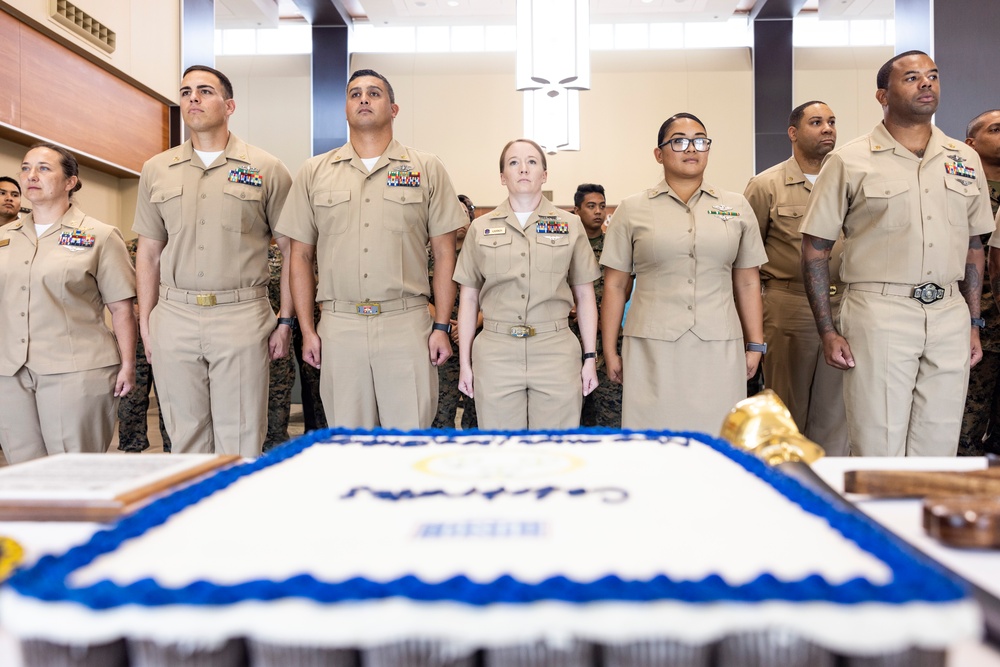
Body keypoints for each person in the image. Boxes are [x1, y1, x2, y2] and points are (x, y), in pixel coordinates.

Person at [801, 51, 994, 457]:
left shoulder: (965, 158)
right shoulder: (849, 160)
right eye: (911, 78)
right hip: (880, 310)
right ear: (882, 95)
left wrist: (973, 321)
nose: (926, 83)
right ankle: (874, 521)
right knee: (878, 442)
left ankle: (920, 521)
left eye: (932, 76)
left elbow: (975, 249)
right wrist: (828, 329)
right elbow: (816, 248)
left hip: (949, 312)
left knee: (939, 445)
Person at [277, 69, 467, 429]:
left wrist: (441, 325)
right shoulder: (314, 172)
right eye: (355, 94)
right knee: (349, 443)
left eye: (374, 93)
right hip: (340, 325)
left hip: (406, 324)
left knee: (409, 442)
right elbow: (299, 257)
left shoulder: (426, 168)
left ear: (394, 109)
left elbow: (445, 254)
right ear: (346, 110)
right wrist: (309, 329)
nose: (363, 99)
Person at [133, 65, 294, 457]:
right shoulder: (156, 169)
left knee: (239, 436)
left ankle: (235, 515)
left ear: (230, 105)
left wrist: (286, 320)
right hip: (174, 315)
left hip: (241, 314)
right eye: (186, 91)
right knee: (182, 435)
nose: (193, 98)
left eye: (205, 91)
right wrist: (147, 321)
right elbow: (149, 252)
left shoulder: (265, 168)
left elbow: (294, 251)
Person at [600, 114, 767, 433]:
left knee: (719, 439)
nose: (692, 148)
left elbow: (747, 280)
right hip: (652, 346)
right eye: (679, 140)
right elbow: (616, 284)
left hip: (719, 343)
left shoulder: (736, 206)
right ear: (659, 153)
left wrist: (755, 344)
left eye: (700, 140)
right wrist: (610, 349)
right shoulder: (632, 209)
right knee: (652, 438)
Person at [0, 144, 135, 463]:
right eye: (26, 168)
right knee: (25, 468)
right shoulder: (5, 237)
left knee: (74, 466)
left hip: (77, 369)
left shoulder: (100, 236)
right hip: (10, 372)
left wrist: (128, 365)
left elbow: (121, 308)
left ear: (70, 181)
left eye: (44, 168)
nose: (31, 175)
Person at [454, 139, 600, 429]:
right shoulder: (480, 229)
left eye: (532, 161)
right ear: (502, 177)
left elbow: (585, 297)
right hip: (496, 352)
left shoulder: (570, 225)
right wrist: (465, 363)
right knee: (502, 452)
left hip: (555, 350)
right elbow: (469, 299)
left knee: (555, 451)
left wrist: (589, 357)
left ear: (544, 175)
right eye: (513, 162)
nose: (523, 168)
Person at [743, 101, 848, 455]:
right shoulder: (765, 185)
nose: (828, 129)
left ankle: (828, 491)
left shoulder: (849, 179)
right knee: (787, 411)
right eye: (816, 122)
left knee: (836, 414)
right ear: (793, 133)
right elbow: (745, 262)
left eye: (832, 122)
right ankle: (783, 487)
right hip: (790, 305)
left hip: (843, 305)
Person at [571, 183, 624, 428]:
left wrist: (608, 318)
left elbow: (625, 284)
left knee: (610, 414)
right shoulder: (565, 246)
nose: (598, 212)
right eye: (591, 206)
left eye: (602, 206)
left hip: (607, 340)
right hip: (572, 339)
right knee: (571, 413)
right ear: (576, 210)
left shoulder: (614, 245)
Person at [117, 237, 172, 453]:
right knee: (131, 399)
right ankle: (132, 450)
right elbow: (116, 284)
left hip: (169, 330)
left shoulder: (178, 243)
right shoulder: (128, 247)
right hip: (135, 336)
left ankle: (174, 451)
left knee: (171, 400)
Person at [430, 194, 479, 429]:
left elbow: (498, 295)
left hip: (478, 341)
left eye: (464, 213)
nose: (459, 219)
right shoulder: (427, 254)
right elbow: (417, 295)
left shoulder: (483, 253)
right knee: (440, 413)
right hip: (441, 343)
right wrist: (443, 323)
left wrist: (473, 323)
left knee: (478, 414)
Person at [968, 109, 1000, 456]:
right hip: (978, 327)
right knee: (968, 429)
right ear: (971, 143)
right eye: (996, 129)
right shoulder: (963, 191)